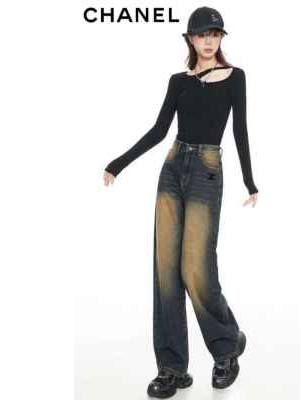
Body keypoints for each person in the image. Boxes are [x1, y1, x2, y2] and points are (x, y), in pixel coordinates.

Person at [103, 6, 259, 398]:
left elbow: (240, 130)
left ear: (221, 38)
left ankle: (226, 345)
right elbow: (160, 130)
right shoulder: (178, 81)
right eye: (201, 34)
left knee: (196, 267)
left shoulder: (235, 77)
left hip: (207, 170)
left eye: (215, 34)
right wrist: (118, 164)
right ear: (190, 39)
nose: (208, 41)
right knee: (166, 270)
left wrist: (249, 181)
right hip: (173, 169)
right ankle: (172, 369)